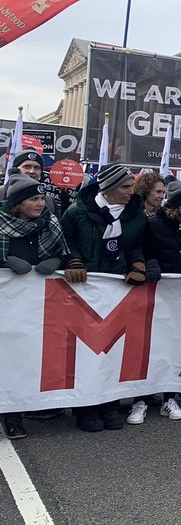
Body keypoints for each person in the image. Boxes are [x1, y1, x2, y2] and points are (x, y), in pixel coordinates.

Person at [61, 164, 150, 432]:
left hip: (116, 290)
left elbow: (137, 245)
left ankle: (109, 402)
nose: (130, 192)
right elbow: (67, 240)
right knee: (85, 350)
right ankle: (85, 408)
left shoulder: (136, 215)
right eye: (125, 187)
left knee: (112, 348)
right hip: (83, 290)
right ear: (108, 188)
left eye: (131, 186)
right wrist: (74, 259)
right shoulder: (77, 212)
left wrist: (138, 263)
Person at [0, 174, 68, 439]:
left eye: (42, 198)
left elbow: (65, 255)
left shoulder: (51, 224)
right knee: (9, 361)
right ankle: (11, 417)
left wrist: (57, 263)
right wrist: (6, 263)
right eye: (33, 199)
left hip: (40, 307)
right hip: (8, 307)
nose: (41, 203)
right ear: (17, 204)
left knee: (32, 360)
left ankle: (34, 406)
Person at [135, 180, 181, 424]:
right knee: (151, 344)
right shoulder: (153, 223)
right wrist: (150, 262)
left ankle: (169, 397)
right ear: (175, 205)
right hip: (157, 292)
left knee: (176, 343)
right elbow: (140, 248)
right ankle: (140, 399)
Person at [0, 150, 56, 214]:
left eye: (36, 168)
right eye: (27, 167)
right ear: (15, 169)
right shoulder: (1, 193)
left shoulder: (49, 201)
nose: (32, 171)